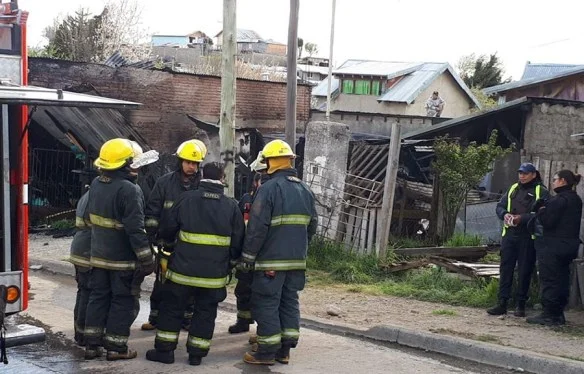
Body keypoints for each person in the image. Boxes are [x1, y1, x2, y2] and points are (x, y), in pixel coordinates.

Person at [146, 162, 245, 366]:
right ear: (222, 179)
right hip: (214, 276)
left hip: (182, 272)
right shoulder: (231, 206)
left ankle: (164, 351)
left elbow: (167, 230)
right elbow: (237, 242)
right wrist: (231, 264)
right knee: (205, 313)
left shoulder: (185, 199)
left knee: (172, 309)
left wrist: (169, 247)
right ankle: (196, 355)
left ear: (201, 175)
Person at [239, 139, 317, 366]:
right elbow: (312, 227)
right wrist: (300, 249)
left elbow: (256, 228)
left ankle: (265, 352)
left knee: (267, 302)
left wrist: (247, 258)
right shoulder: (305, 189)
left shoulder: (268, 189)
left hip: (270, 261)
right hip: (296, 261)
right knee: (289, 301)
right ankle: (285, 349)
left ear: (271, 162)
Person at [83, 138, 157, 360]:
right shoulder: (129, 190)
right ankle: (116, 348)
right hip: (122, 262)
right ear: (123, 165)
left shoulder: (96, 184)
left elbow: (89, 218)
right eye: (134, 163)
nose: (138, 167)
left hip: (98, 258)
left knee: (98, 299)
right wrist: (146, 259)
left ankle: (92, 346)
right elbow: (136, 230)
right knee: (123, 302)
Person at [141, 139, 206, 332]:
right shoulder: (164, 183)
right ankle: (155, 318)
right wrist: (152, 237)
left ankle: (186, 319)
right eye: (188, 162)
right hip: (166, 245)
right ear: (180, 162)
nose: (191, 166)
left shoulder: (202, 187)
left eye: (194, 163)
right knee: (162, 283)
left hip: (192, 247)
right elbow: (152, 212)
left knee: (189, 286)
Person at [488, 163, 549, 317]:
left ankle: (520, 304)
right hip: (509, 235)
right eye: (520, 173)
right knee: (506, 269)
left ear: (534, 174)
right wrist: (505, 215)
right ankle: (502, 302)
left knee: (524, 271)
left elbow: (544, 214)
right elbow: (500, 206)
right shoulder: (513, 188)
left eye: (526, 173)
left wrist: (521, 219)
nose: (522, 176)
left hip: (527, 237)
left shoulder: (541, 191)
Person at [527, 170, 582, 326]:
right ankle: (558, 314)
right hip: (569, 245)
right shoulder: (575, 199)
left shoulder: (558, 200)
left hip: (553, 246)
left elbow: (548, 222)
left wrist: (540, 211)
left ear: (563, 181)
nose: (552, 182)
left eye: (555, 179)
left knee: (550, 279)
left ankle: (549, 314)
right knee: (562, 279)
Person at [229, 152, 268, 334]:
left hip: (265, 255)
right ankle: (243, 321)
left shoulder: (271, 199)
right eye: (260, 181)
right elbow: (237, 227)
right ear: (255, 182)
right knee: (243, 289)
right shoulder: (246, 200)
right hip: (246, 253)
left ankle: (263, 328)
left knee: (262, 294)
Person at [69, 187, 91, 347]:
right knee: (89, 293)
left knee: (83, 291)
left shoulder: (88, 194)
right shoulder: (100, 194)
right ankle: (84, 335)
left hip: (80, 248)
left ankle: (80, 333)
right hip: (89, 250)